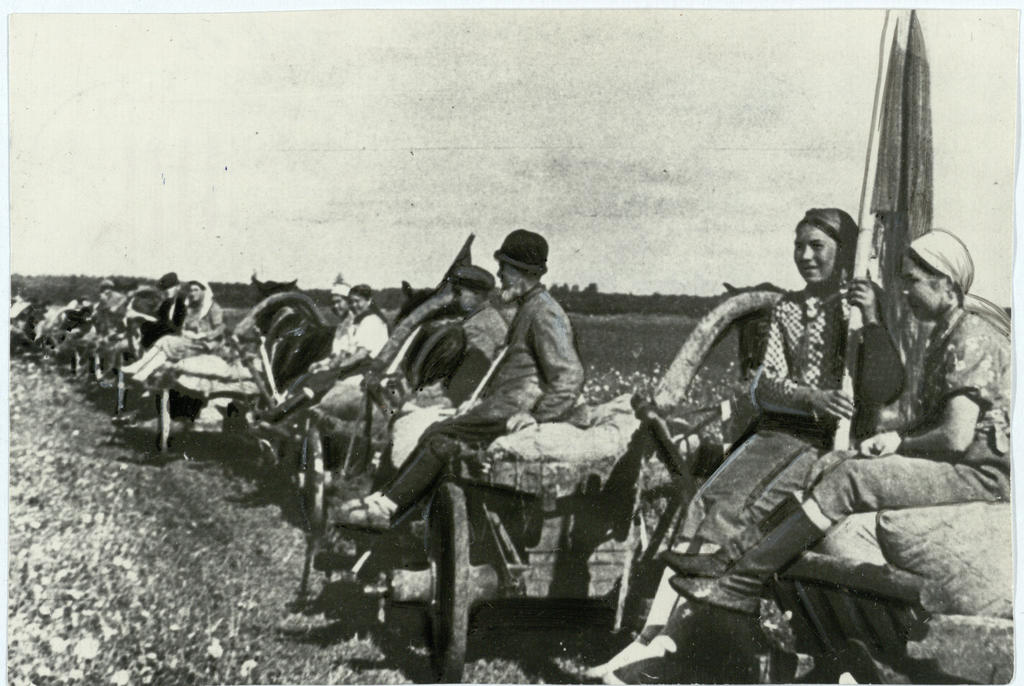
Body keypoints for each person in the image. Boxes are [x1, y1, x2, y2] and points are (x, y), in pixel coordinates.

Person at [614, 230, 1010, 685]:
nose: (904, 289)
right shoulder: (946, 332)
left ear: (948, 285)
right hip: (962, 464)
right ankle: (735, 560)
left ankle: (740, 581)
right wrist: (887, 432)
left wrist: (898, 442)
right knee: (828, 466)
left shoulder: (972, 336)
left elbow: (957, 436)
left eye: (914, 280)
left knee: (850, 480)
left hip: (980, 473)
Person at [586, 208, 904, 681]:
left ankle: (671, 641)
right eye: (799, 245)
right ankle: (652, 637)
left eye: (817, 246)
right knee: (702, 502)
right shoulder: (787, 309)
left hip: (822, 445)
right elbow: (764, 386)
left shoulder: (859, 309)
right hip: (779, 433)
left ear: (845, 254)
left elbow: (885, 386)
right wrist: (810, 396)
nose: (805, 255)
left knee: (731, 510)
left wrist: (872, 317)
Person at [331, 229, 584, 530]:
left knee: (440, 434)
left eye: (504, 267)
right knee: (439, 432)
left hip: (511, 408)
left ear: (520, 272)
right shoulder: (528, 308)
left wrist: (535, 418)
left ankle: (390, 507)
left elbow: (569, 375)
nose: (499, 274)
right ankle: (395, 504)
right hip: (502, 404)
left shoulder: (544, 313)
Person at [381, 264, 510, 476]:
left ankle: (398, 483)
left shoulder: (479, 326)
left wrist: (426, 400)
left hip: (479, 401)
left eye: (459, 293)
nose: (455, 299)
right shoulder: (484, 317)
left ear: (477, 294)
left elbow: (472, 378)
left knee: (407, 422)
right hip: (477, 396)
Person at [311, 283, 390, 420]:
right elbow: (345, 352)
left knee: (323, 379)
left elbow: (360, 354)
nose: (354, 305)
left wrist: (335, 368)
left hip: (369, 368)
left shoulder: (371, 321)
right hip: (361, 365)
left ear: (369, 301)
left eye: (357, 301)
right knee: (319, 377)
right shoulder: (359, 322)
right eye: (351, 302)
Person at [122, 280, 225, 382]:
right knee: (164, 347)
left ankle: (139, 367)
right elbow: (185, 327)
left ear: (204, 291)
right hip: (190, 341)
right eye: (191, 290)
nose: (193, 293)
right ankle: (142, 373)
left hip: (205, 344)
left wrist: (202, 335)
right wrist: (187, 332)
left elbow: (220, 328)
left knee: (166, 340)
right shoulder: (192, 308)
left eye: (196, 290)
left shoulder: (213, 308)